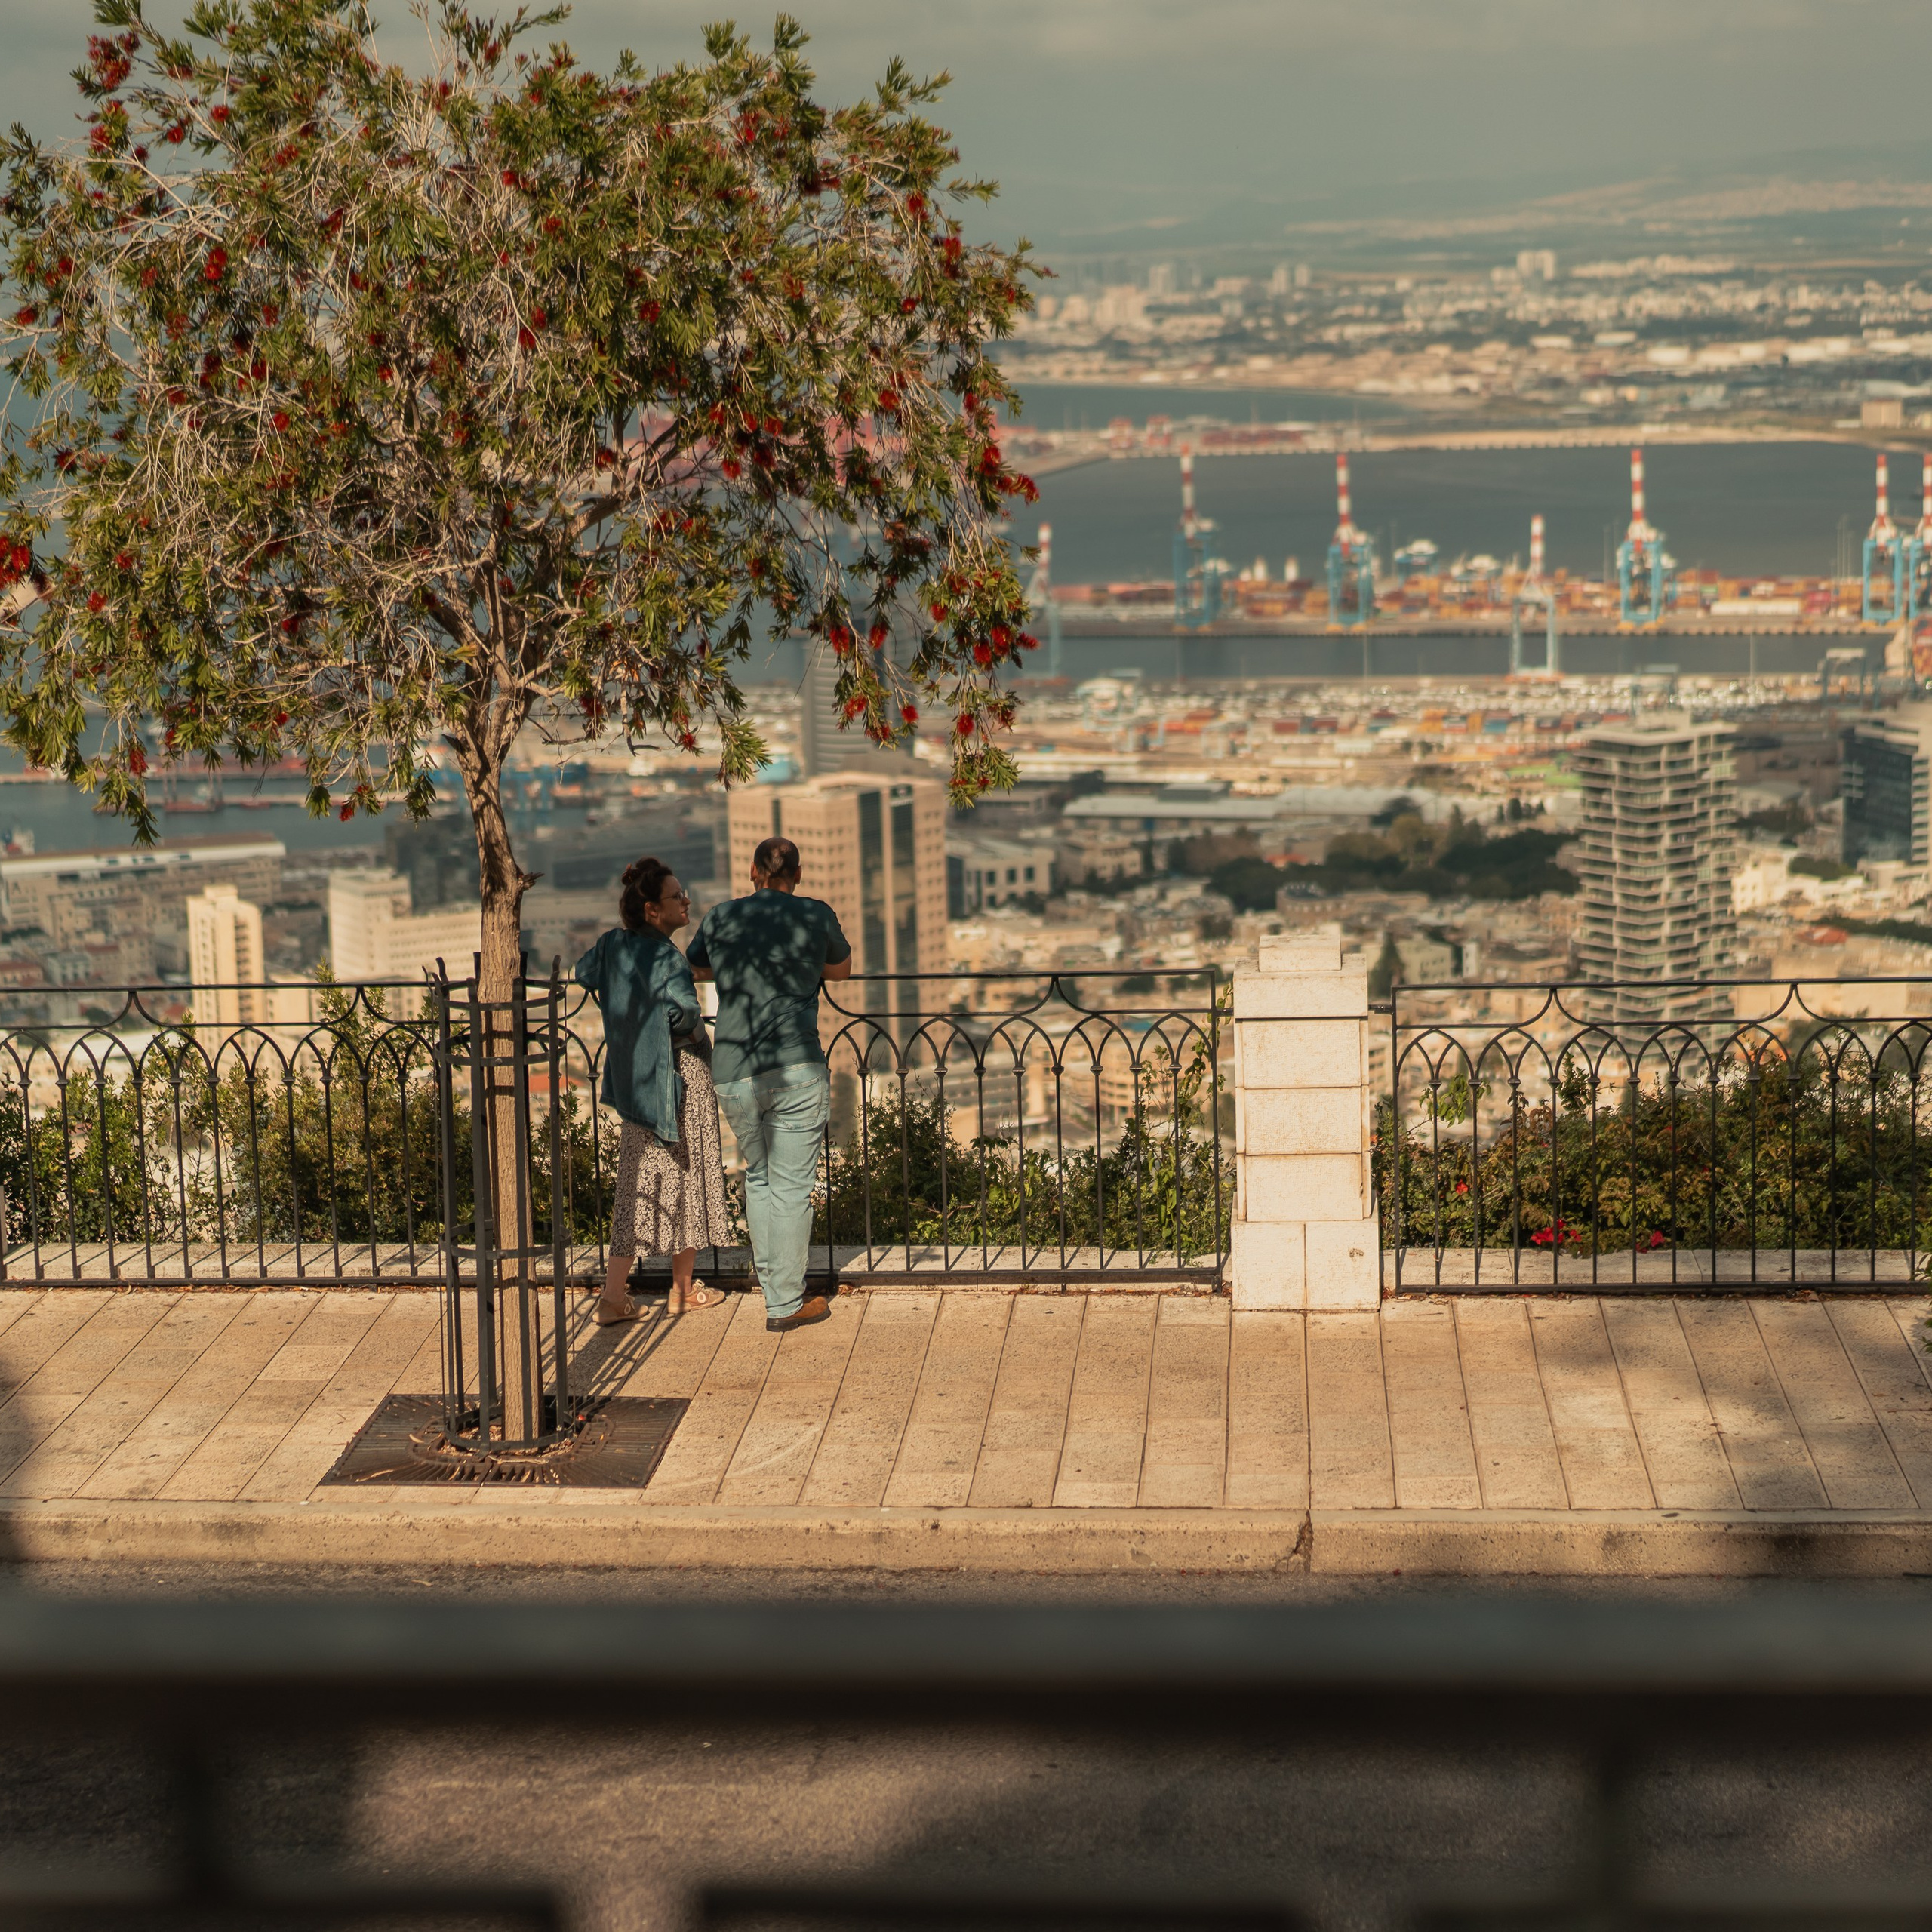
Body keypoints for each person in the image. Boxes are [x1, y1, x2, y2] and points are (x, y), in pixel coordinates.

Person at [685, 834, 851, 1332]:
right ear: (796, 875)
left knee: (759, 1178)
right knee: (793, 1188)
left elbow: (696, 965)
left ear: (754, 872)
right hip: (796, 1065)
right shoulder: (816, 914)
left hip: (735, 1068)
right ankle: (784, 1302)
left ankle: (775, 1289)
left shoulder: (720, 916)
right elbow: (841, 971)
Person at [574, 857, 732, 1325]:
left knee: (635, 1189)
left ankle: (613, 1296)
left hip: (636, 1085)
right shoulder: (668, 958)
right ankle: (681, 1291)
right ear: (651, 910)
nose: (687, 902)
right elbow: (684, 1016)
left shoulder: (611, 946)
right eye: (677, 897)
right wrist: (685, 1026)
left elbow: (583, 974)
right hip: (681, 1077)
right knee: (688, 1179)